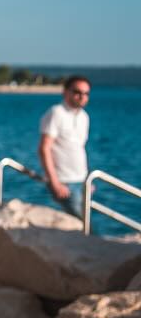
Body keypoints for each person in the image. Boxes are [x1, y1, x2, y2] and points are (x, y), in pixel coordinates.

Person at [39, 75, 91, 219]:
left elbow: (79, 149)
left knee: (84, 223)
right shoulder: (56, 113)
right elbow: (44, 148)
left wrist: (87, 179)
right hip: (64, 183)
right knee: (83, 225)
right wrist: (55, 182)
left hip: (81, 181)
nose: (82, 97)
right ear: (65, 92)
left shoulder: (84, 117)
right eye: (77, 92)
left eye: (86, 93)